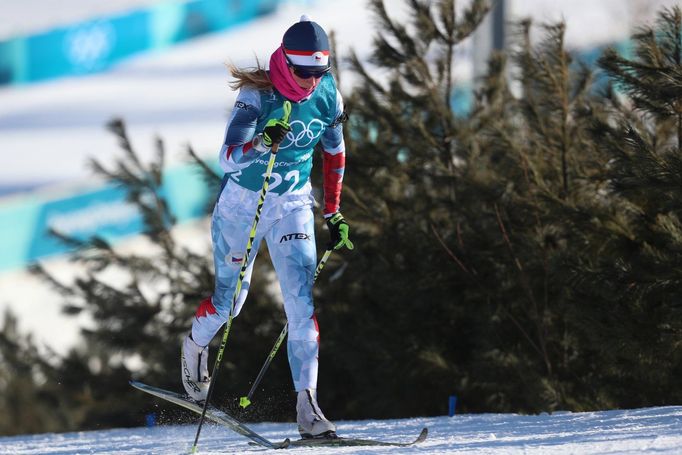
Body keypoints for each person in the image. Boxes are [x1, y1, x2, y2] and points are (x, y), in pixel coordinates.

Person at [180, 15, 353, 439]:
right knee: (229, 304)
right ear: (285, 63)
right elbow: (225, 158)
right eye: (304, 72)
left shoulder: (329, 95)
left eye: (320, 72)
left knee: (299, 301)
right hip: (241, 206)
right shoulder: (256, 96)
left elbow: (335, 152)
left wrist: (333, 211)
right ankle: (194, 346)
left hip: (292, 204)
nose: (312, 82)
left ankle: (308, 407)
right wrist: (259, 142)